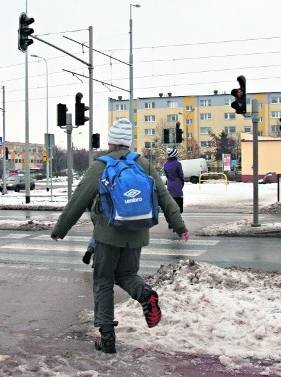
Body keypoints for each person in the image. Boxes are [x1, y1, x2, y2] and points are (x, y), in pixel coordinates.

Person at [51, 118, 190, 354]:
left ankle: (107, 339)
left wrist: (60, 229)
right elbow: (165, 197)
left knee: (103, 280)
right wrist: (180, 226)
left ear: (111, 142)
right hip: (137, 233)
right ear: (128, 143)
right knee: (126, 274)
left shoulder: (101, 165)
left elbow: (79, 199)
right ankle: (145, 294)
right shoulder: (143, 163)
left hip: (108, 234)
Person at [163, 147, 184, 221]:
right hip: (177, 185)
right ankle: (178, 221)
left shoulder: (165, 165)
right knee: (178, 204)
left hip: (170, 185)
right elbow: (181, 175)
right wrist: (182, 183)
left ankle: (170, 222)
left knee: (171, 204)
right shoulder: (178, 164)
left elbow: (167, 176)